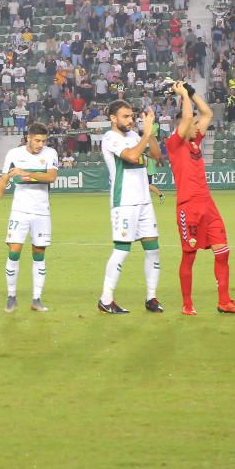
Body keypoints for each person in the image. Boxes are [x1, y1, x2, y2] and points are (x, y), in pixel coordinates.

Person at [167, 82, 235, 315]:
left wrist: (192, 93)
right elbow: (185, 121)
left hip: (208, 206)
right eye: (195, 124)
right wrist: (183, 96)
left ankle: (224, 301)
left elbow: (208, 113)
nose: (198, 125)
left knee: (223, 251)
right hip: (188, 208)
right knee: (189, 255)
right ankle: (187, 304)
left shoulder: (195, 142)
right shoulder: (174, 144)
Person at [97, 100, 163, 314]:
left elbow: (156, 155)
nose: (130, 120)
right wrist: (143, 136)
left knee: (153, 250)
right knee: (122, 250)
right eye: (125, 116)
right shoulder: (110, 138)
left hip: (144, 201)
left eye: (132, 116)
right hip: (124, 202)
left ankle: (151, 297)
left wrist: (149, 131)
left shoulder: (135, 136)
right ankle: (106, 299)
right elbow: (132, 156)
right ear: (113, 119)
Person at [0, 122, 58, 313]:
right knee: (14, 251)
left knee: (39, 254)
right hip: (20, 210)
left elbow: (51, 177)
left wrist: (25, 173)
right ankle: (11, 296)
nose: (40, 145)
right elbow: (5, 179)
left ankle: (37, 299)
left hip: (42, 211)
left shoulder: (50, 153)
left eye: (43, 141)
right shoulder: (14, 154)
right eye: (37, 140)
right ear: (28, 137)